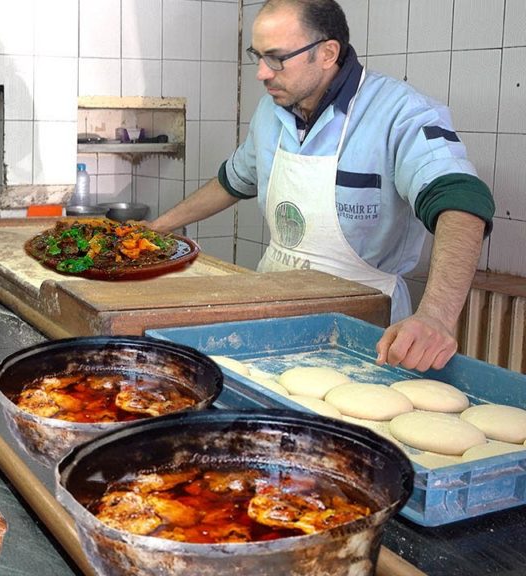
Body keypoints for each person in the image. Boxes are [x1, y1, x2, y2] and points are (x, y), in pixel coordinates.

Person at [150, 0, 493, 372]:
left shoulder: (398, 114)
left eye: (277, 58)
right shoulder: (272, 112)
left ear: (328, 53)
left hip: (363, 329)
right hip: (271, 308)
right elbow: (232, 182)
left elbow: (461, 202)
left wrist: (437, 317)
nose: (261, 73)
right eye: (258, 56)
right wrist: (156, 230)